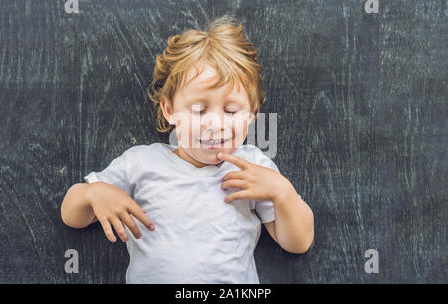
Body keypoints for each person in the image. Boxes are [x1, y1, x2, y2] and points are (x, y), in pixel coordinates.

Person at [61, 15, 314, 283]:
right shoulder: (141, 164)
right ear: (169, 109)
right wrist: (92, 193)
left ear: (251, 114)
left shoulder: (251, 167)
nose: (215, 124)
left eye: (230, 110)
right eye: (198, 109)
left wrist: (282, 194)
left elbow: (298, 243)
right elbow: (72, 216)